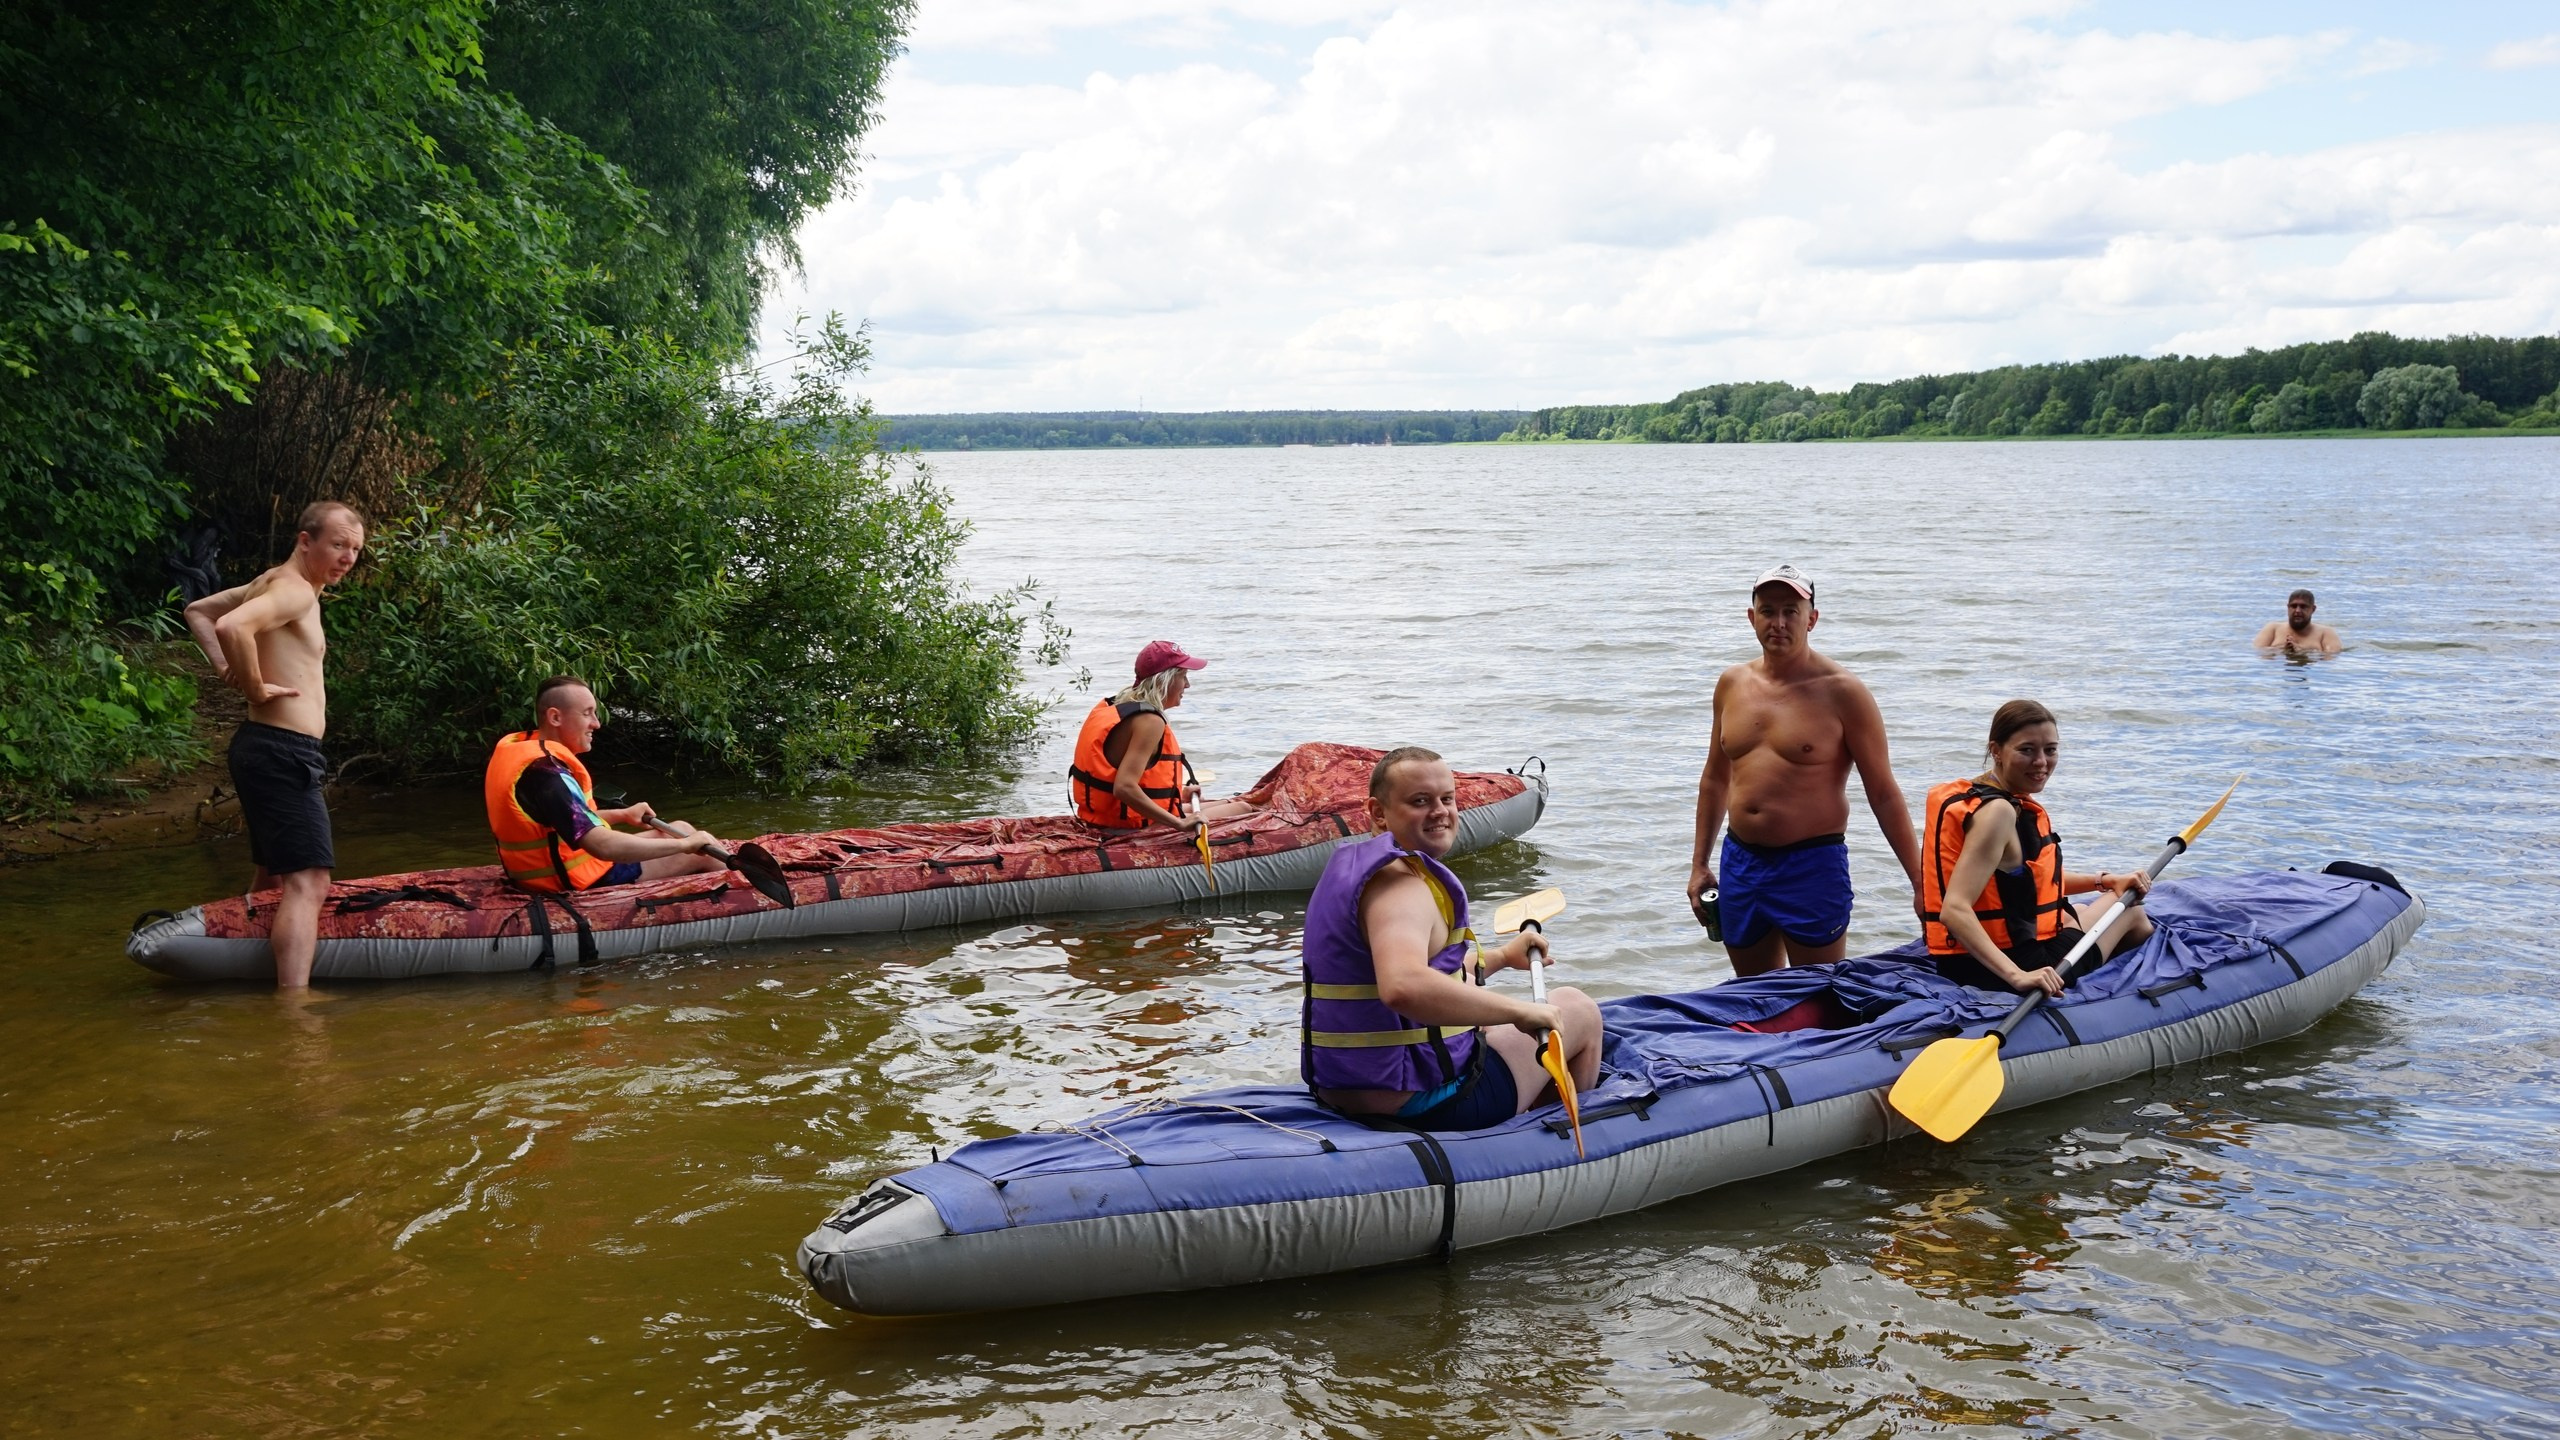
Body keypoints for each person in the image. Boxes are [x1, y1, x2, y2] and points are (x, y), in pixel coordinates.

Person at [1300, 747, 1604, 1129]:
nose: (1440, 811)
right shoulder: (1401, 888)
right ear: (1378, 812)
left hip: (1340, 1091)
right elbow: (1404, 986)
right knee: (1577, 1008)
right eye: (1420, 801)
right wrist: (1521, 1012)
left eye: (1447, 799)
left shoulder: (1360, 871)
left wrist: (1503, 957)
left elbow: (1424, 971)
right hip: (1423, 1104)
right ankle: (1553, 1139)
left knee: (1486, 1025)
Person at [1686, 565, 1923, 977]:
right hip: (1741, 861)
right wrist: (1699, 863)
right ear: (1751, 616)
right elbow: (1715, 777)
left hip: (1811, 866)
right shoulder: (1731, 684)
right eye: (1768, 610)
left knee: (1820, 994)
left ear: (1811, 619)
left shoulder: (1844, 692)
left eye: (1791, 611)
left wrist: (1922, 884)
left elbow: (1883, 792)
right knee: (1754, 994)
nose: (1778, 623)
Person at [183, 500, 366, 989]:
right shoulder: (294, 592)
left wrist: (227, 668)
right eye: (338, 544)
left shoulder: (273, 583)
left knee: (271, 877)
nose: (348, 557)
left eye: (354, 549)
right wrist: (255, 684)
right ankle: (295, 1006)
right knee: (310, 882)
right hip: (283, 749)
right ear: (305, 541)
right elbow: (229, 625)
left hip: (263, 748)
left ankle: (239, 964)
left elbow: (198, 610)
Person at [1920, 700, 2153, 996]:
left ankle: (2092, 963)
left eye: (2050, 750)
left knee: (2078, 910)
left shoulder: (1975, 797)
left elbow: (2032, 879)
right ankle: (2104, 993)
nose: (2041, 762)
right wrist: (2018, 976)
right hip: (2008, 967)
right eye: (2027, 750)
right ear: (1996, 751)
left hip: (1960, 962)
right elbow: (1953, 910)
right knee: (2131, 910)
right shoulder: (1999, 813)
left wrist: (2105, 881)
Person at [483, 676, 730, 891]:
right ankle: (757, 895)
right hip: (578, 880)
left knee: (680, 826)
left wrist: (622, 814)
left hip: (549, 871)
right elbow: (601, 845)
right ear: (555, 717)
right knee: (698, 848)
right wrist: (685, 846)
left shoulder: (524, 751)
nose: (596, 723)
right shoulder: (548, 774)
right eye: (586, 713)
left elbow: (563, 821)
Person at [1068, 640, 1266, 831]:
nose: (1187, 685)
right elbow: (1124, 788)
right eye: (1183, 676)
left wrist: (1177, 792)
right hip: (1126, 826)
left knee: (1229, 803)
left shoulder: (1114, 706)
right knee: (1243, 809)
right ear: (1165, 679)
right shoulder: (1150, 722)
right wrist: (1178, 824)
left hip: (1106, 817)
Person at [2254, 589, 2341, 655]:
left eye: (2303, 607)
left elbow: (2331, 658)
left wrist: (2302, 651)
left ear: (2313, 609)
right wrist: (2283, 649)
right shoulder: (2272, 628)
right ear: (2288, 607)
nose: (2298, 610)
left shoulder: (2326, 633)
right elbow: (2258, 653)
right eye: (2294, 606)